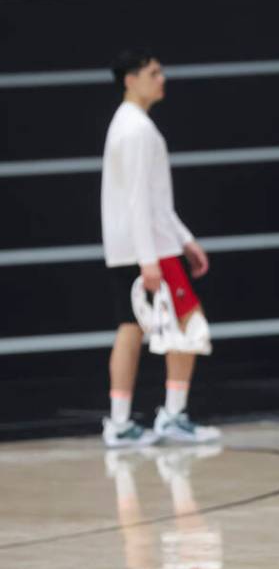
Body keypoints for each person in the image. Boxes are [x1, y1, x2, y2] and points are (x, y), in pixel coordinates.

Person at [101, 48, 219, 448]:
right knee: (189, 324)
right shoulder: (136, 129)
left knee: (130, 328)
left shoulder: (129, 125)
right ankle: (172, 415)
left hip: (133, 247)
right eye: (154, 72)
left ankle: (119, 422)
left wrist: (184, 238)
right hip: (147, 249)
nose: (161, 78)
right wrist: (150, 260)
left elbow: (153, 201)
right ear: (130, 79)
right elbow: (139, 200)